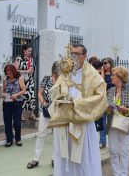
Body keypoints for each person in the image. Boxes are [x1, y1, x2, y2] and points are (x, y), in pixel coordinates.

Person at [49, 44, 107, 176]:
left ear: (85, 56)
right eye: (72, 54)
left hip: (82, 121)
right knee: (64, 155)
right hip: (65, 120)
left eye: (76, 54)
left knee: (84, 157)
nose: (73, 57)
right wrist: (56, 91)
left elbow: (101, 97)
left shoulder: (92, 74)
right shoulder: (65, 72)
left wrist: (77, 103)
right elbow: (55, 92)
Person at [106, 66, 129, 176]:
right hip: (112, 123)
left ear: (120, 77)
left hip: (125, 124)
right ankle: (116, 173)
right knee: (113, 151)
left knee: (124, 152)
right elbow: (105, 109)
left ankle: (123, 174)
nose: (111, 77)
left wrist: (127, 110)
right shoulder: (110, 91)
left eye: (113, 75)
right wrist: (107, 109)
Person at [27, 61, 59, 169]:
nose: (59, 73)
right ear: (54, 70)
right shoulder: (46, 79)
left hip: (58, 112)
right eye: (57, 71)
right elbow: (39, 93)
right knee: (41, 134)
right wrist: (44, 103)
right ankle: (36, 159)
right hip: (45, 110)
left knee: (57, 136)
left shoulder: (63, 81)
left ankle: (55, 158)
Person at [1, 64, 26, 147]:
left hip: (17, 102)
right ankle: (9, 139)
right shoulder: (5, 80)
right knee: (7, 122)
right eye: (7, 73)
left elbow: (24, 90)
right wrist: (3, 94)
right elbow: (3, 91)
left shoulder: (19, 78)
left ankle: (18, 139)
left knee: (17, 122)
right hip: (7, 103)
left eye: (10, 73)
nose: (8, 74)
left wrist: (16, 95)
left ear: (13, 72)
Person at [14, 44, 36, 121]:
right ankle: (20, 115)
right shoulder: (19, 58)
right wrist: (25, 71)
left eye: (31, 51)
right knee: (22, 97)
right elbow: (15, 70)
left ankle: (31, 114)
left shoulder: (31, 59)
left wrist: (31, 71)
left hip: (29, 80)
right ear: (24, 50)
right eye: (28, 51)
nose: (30, 52)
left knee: (31, 96)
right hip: (21, 81)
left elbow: (32, 69)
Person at [99, 57, 115, 148]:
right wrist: (102, 71)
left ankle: (112, 141)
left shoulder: (114, 74)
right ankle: (102, 141)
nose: (104, 65)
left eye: (105, 63)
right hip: (102, 101)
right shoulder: (101, 74)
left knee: (111, 122)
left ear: (110, 63)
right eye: (103, 63)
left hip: (111, 101)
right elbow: (101, 83)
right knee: (102, 122)